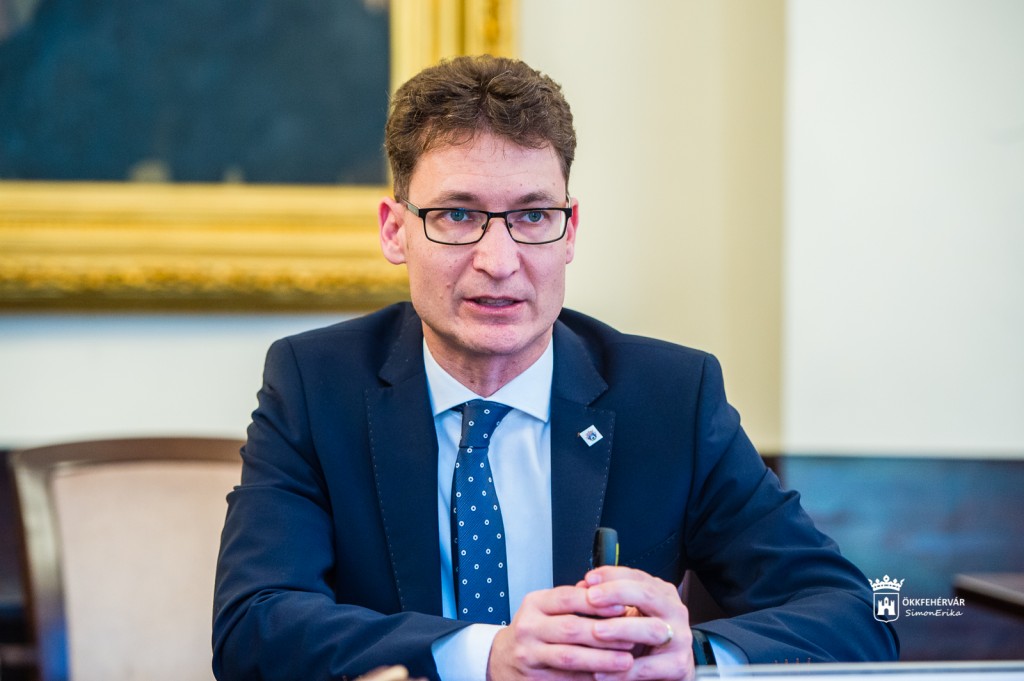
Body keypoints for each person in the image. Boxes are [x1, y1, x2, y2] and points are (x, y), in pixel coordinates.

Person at [212, 55, 898, 681]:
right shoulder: (316, 384)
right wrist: (488, 654)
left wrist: (694, 652)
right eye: (458, 215)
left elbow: (854, 616)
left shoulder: (670, 398)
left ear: (570, 231)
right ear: (396, 230)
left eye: (534, 215)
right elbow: (252, 627)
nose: (499, 261)